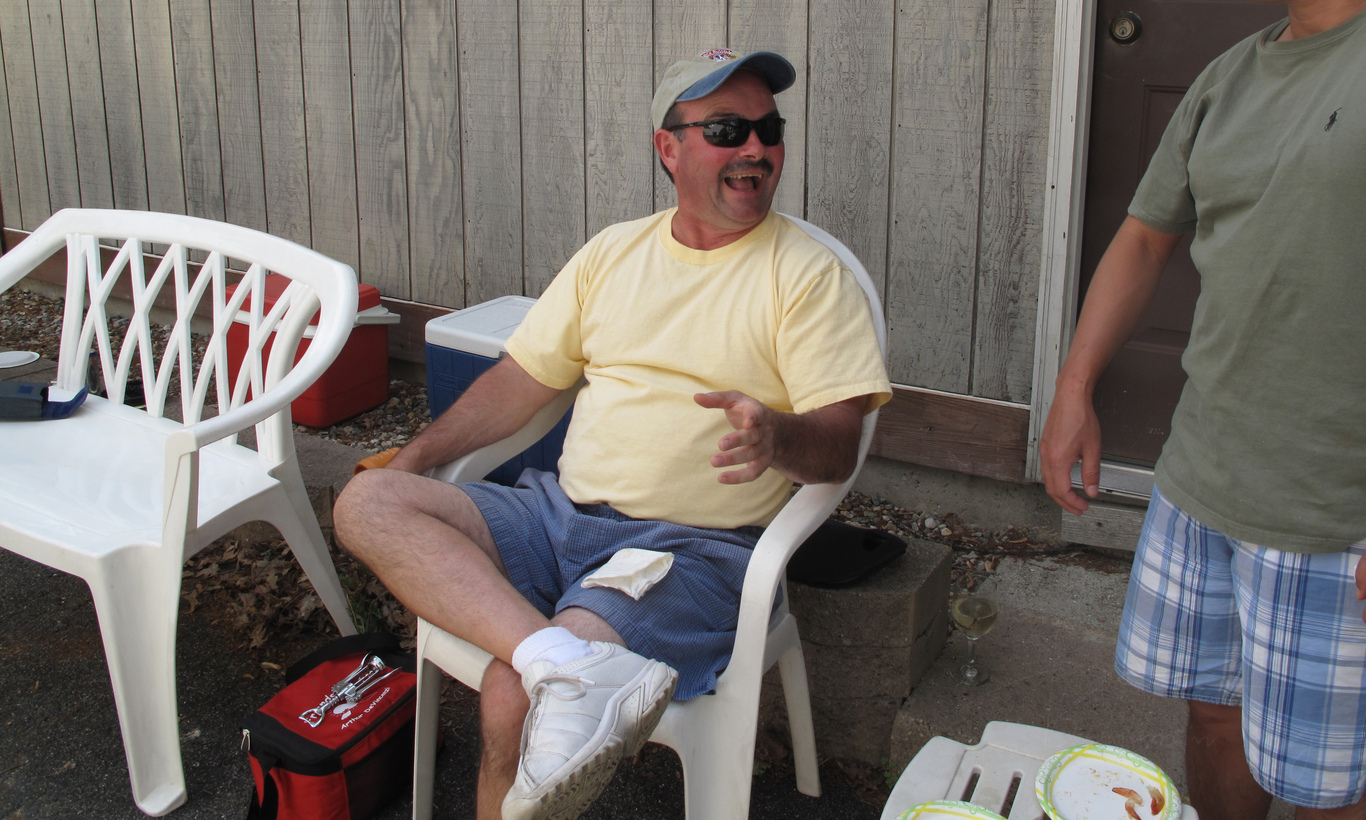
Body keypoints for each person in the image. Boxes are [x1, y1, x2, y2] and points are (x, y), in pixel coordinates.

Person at [334, 48, 890, 820]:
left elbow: (837, 445)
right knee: (367, 503)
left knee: (511, 697)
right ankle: (560, 659)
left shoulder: (808, 277)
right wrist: (415, 460)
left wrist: (778, 440)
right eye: (727, 130)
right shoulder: (613, 253)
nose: (756, 149)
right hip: (557, 518)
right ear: (670, 148)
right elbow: (520, 382)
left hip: (689, 553)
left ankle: (550, 664)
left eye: (770, 129)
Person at [1039, 3, 1366, 818]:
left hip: (1336, 509)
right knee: (1217, 717)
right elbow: (1146, 237)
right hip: (1204, 475)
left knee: (1331, 778)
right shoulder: (1230, 75)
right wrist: (1074, 387)